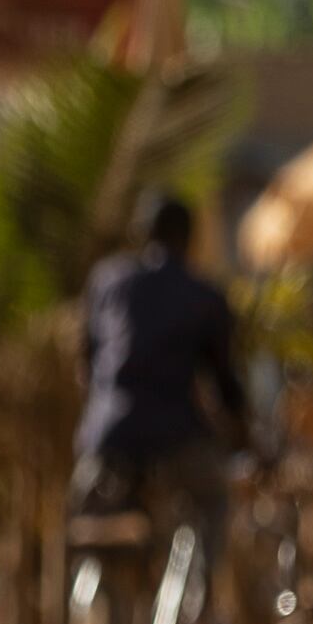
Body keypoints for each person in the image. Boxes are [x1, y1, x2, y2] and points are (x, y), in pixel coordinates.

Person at [72, 189, 251, 578]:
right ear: (188, 239)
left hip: (105, 437)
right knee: (213, 498)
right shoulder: (203, 296)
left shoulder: (106, 281)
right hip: (175, 436)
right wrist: (242, 435)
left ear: (141, 234)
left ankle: (81, 611)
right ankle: (200, 606)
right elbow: (224, 383)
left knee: (83, 520)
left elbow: (86, 362)